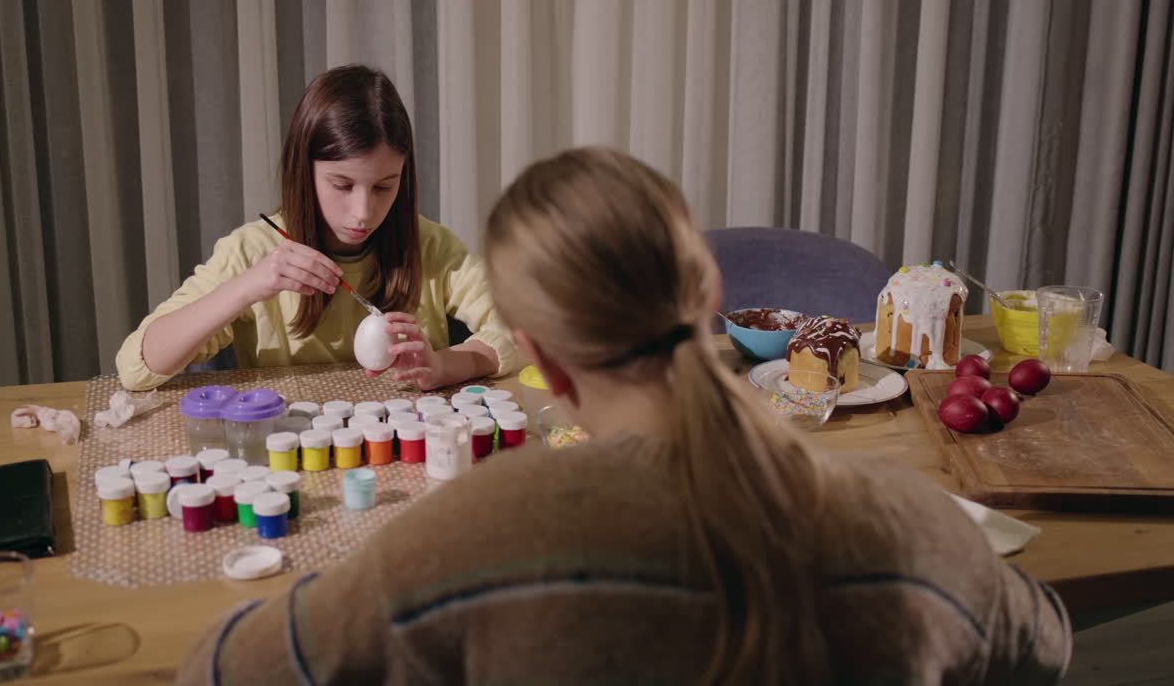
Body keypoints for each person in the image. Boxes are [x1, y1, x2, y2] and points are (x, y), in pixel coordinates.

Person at [176, 148, 1070, 684]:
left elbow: (222, 671)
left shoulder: (470, 540)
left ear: (542, 356)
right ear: (713, 295)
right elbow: (1045, 649)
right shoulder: (909, 527)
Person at [115, 65, 518, 391]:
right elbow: (137, 367)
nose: (363, 212)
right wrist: (249, 285)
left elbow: (525, 327)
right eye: (342, 185)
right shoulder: (252, 252)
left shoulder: (428, 244)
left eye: (384, 186)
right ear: (302, 172)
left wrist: (444, 365)